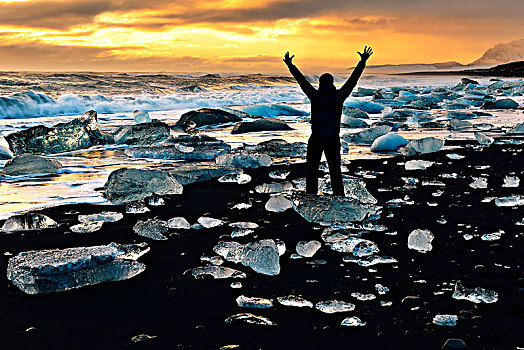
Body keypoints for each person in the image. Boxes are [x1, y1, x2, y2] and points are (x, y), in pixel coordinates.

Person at [283, 46, 373, 196]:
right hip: (332, 139)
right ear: (332, 83)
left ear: (319, 84)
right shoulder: (338, 97)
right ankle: (339, 197)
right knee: (335, 172)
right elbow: (352, 81)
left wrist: (290, 65)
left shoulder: (315, 96)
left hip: (316, 139)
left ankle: (312, 198)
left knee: (312, 171)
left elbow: (302, 81)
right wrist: (362, 62)